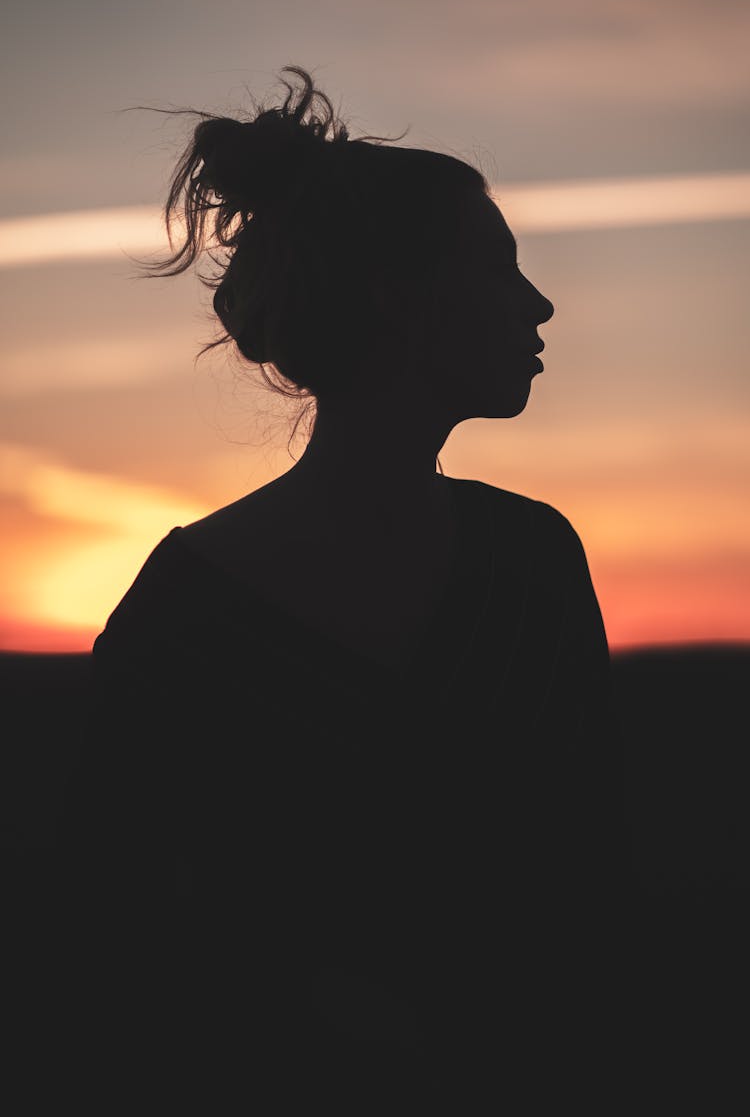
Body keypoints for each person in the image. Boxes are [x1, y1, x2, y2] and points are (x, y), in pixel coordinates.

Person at [56, 66, 629, 1111]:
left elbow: (594, 892)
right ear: (395, 297)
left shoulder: (536, 556)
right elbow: (123, 954)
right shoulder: (183, 617)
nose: (538, 303)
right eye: (498, 268)